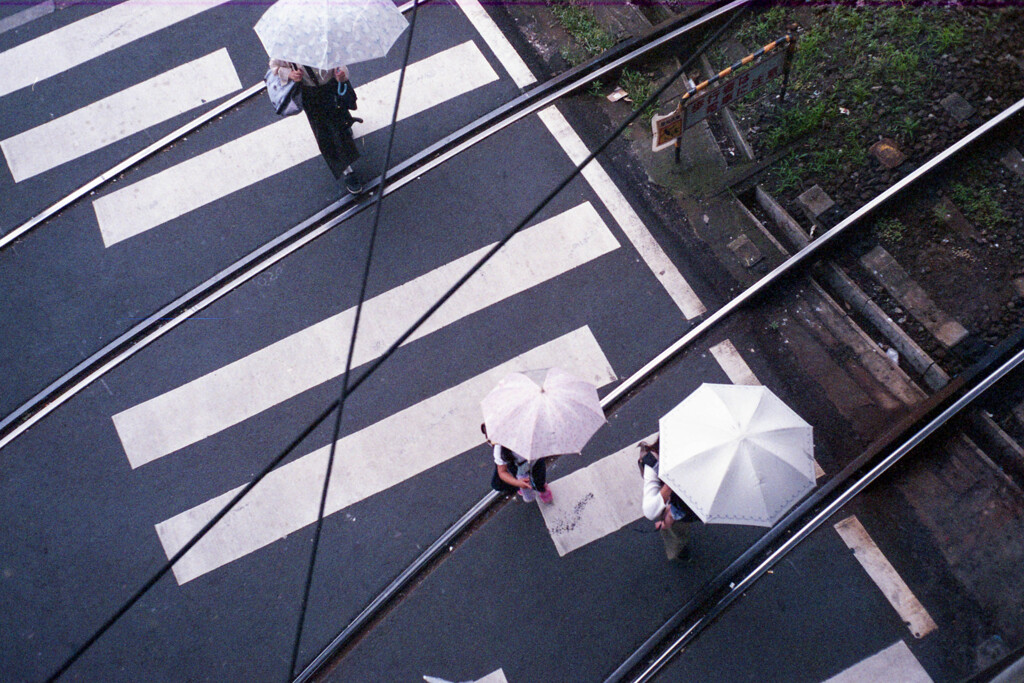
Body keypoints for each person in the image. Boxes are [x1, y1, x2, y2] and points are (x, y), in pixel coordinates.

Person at [270, 60, 363, 194]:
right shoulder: (286, 46)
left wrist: (342, 74)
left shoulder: (324, 40)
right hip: (310, 94)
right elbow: (275, 67)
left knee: (339, 116)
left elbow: (339, 58)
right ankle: (347, 170)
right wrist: (290, 74)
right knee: (326, 134)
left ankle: (345, 124)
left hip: (331, 85)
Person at [639, 438, 698, 560]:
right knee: (676, 533)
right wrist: (671, 482)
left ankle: (678, 548)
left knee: (675, 527)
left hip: (685, 507)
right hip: (680, 508)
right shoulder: (656, 460)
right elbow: (650, 510)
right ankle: (678, 551)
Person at [482, 423, 553, 504]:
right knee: (518, 480)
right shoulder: (500, 450)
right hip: (517, 466)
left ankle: (542, 488)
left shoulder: (529, 432)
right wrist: (517, 482)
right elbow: (502, 471)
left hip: (535, 461)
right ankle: (528, 487)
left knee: (539, 478)